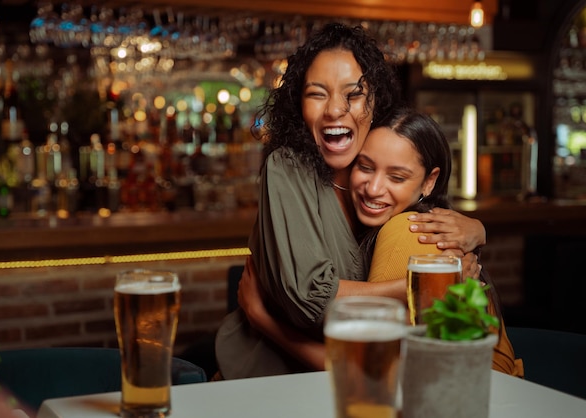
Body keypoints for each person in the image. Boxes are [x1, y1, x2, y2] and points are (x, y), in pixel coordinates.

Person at [214, 23, 487, 380]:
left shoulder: (379, 170)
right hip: (265, 380)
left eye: (353, 94)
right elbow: (312, 302)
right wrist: (424, 285)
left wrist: (479, 230)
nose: (334, 110)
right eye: (317, 94)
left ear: (374, 103)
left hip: (353, 380)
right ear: (299, 103)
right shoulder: (288, 167)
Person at [240, 108, 524, 377]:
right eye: (365, 166)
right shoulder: (426, 225)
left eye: (397, 176)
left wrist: (265, 321)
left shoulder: (406, 231)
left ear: (429, 181)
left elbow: (367, 368)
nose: (374, 189)